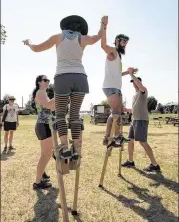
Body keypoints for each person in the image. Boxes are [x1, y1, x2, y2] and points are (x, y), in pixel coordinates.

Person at [23, 15, 106, 158]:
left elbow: (36, 49)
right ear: (80, 28)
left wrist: (28, 42)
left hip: (62, 77)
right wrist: (104, 23)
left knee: (60, 114)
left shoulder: (58, 37)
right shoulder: (83, 38)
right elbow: (98, 36)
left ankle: (65, 148)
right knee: (74, 114)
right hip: (80, 78)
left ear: (66, 26)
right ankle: (76, 149)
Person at [100, 16, 137, 146]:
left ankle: (118, 136)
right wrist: (104, 26)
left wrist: (129, 72)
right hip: (110, 87)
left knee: (118, 112)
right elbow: (103, 45)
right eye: (123, 41)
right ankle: (109, 137)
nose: (125, 44)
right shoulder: (113, 51)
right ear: (117, 41)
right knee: (115, 112)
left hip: (115, 86)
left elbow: (118, 74)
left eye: (126, 42)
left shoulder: (118, 56)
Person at [122, 73, 161, 172]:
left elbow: (140, 85)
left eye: (135, 81)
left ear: (139, 82)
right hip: (134, 119)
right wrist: (127, 109)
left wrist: (131, 74)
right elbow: (135, 109)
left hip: (141, 119)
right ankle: (131, 161)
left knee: (142, 142)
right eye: (133, 82)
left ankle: (154, 164)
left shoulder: (143, 91)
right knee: (130, 140)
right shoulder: (134, 95)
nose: (134, 83)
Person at [32, 75, 55, 190]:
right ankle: (37, 182)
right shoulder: (41, 92)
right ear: (39, 82)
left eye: (48, 80)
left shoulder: (43, 93)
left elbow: (51, 108)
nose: (47, 82)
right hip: (43, 126)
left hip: (43, 126)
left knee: (45, 154)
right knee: (47, 155)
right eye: (45, 80)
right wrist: (59, 95)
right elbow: (49, 105)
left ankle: (42, 173)